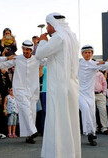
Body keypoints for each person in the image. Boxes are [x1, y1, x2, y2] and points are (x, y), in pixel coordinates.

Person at [35, 13, 81, 158]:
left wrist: (42, 41)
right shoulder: (72, 37)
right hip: (70, 85)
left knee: (58, 119)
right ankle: (70, 152)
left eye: (47, 25)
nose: (47, 28)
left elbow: (39, 54)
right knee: (69, 119)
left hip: (59, 86)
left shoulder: (58, 38)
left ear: (53, 25)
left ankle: (59, 153)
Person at [0, 40, 45, 144]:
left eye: (28, 49)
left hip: (33, 90)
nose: (25, 51)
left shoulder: (37, 59)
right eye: (24, 49)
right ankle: (33, 131)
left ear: (31, 50)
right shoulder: (17, 59)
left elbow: (51, 59)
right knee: (26, 109)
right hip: (20, 89)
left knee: (31, 112)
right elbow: (1, 65)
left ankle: (29, 136)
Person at [78, 45, 106, 146]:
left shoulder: (95, 64)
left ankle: (92, 134)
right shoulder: (77, 63)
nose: (88, 54)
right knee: (85, 109)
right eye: (86, 52)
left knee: (91, 113)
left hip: (90, 94)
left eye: (89, 52)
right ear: (82, 54)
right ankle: (89, 132)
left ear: (92, 54)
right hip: (79, 93)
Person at [94, 70, 108, 135]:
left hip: (100, 94)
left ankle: (105, 128)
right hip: (90, 94)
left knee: (103, 111)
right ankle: (94, 128)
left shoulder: (100, 74)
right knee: (91, 112)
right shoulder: (86, 72)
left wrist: (104, 93)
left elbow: (104, 83)